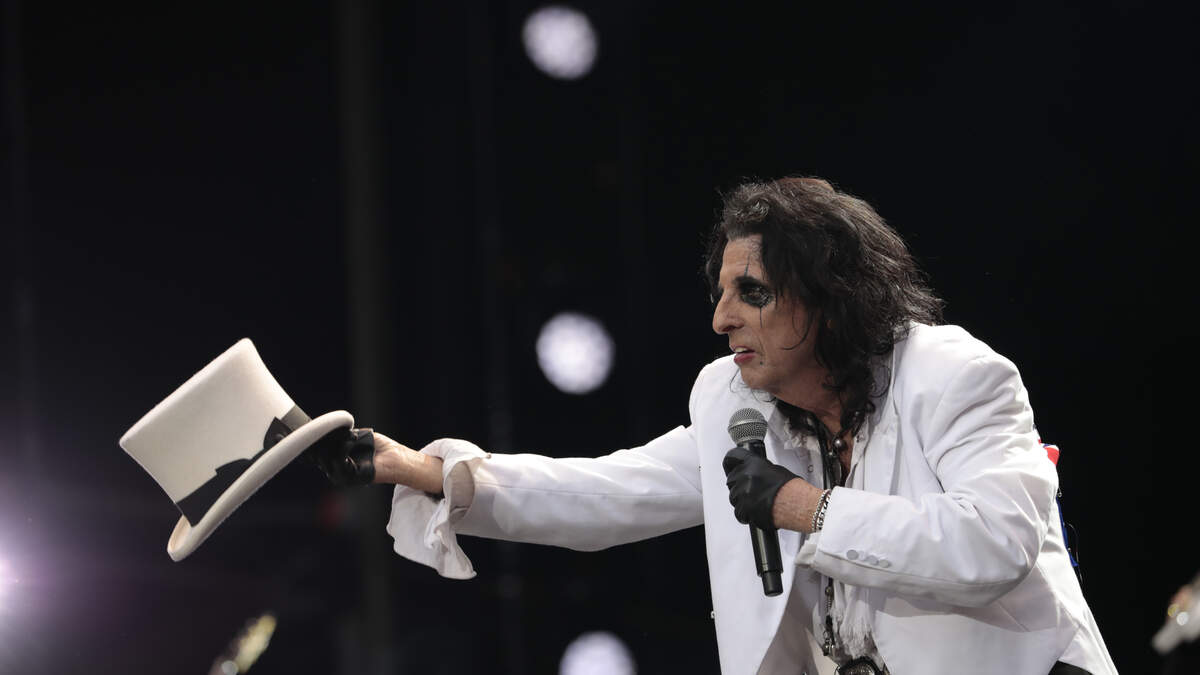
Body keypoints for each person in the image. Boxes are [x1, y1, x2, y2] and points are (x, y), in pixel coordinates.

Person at [348, 177, 1117, 674]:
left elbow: (993, 544)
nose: (721, 319)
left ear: (828, 296)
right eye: (721, 294)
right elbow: (609, 492)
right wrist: (421, 469)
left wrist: (802, 507)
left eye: (751, 292)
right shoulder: (739, 407)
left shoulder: (954, 375)